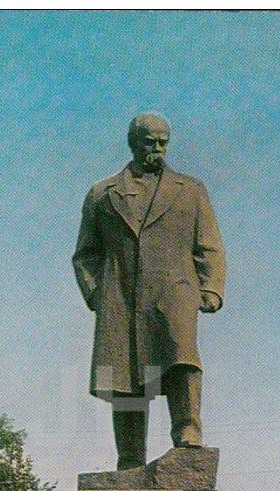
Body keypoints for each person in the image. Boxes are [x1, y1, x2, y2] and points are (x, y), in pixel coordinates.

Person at [73, 113, 226, 469]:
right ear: (132, 142)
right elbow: (85, 254)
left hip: (175, 291)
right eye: (149, 141)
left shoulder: (190, 190)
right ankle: (129, 457)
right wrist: (98, 295)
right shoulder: (102, 194)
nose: (157, 148)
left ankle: (188, 432)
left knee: (181, 360)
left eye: (163, 141)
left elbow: (210, 245)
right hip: (120, 296)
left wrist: (212, 287)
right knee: (124, 377)